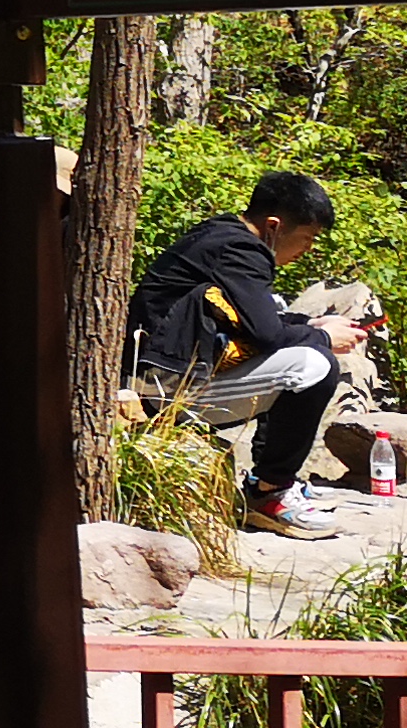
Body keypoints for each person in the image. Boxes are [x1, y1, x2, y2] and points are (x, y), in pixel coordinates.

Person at [129, 171, 363, 540]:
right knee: (314, 365)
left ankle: (270, 482)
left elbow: (251, 319)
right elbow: (268, 335)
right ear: (274, 225)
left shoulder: (220, 235)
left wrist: (308, 322)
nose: (308, 249)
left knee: (304, 350)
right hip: (165, 394)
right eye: (306, 237)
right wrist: (320, 335)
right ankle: (270, 494)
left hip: (155, 379)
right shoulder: (243, 250)